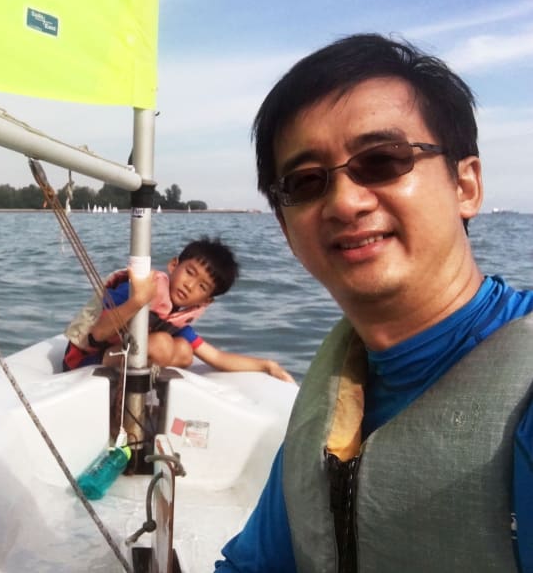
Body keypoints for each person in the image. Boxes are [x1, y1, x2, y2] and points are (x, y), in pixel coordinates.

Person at [215, 33, 533, 572]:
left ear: (466, 186)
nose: (344, 201)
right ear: (287, 230)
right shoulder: (334, 395)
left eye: (383, 161)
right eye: (307, 182)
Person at [62, 236, 294, 382]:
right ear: (174, 265)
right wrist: (138, 300)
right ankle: (122, 404)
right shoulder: (138, 289)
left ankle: (137, 395)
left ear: (206, 301)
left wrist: (266, 365)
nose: (190, 285)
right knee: (163, 344)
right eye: (190, 272)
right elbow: (98, 333)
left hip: (120, 361)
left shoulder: (176, 318)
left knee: (184, 350)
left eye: (203, 286)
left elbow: (217, 357)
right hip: (84, 361)